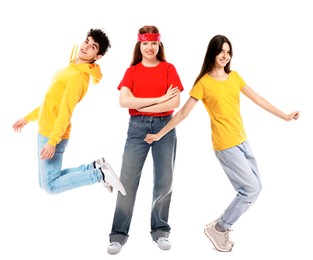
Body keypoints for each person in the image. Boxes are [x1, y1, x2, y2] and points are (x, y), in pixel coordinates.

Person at [144, 34, 300, 252]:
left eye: (228, 52)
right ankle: (219, 228)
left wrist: (284, 116)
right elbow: (183, 113)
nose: (225, 56)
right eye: (221, 51)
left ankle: (219, 227)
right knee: (250, 189)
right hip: (225, 145)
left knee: (256, 188)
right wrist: (159, 134)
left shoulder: (234, 77)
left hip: (242, 140)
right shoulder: (204, 83)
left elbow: (258, 99)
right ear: (213, 53)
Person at [12, 28, 126, 196]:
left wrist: (52, 141)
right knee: (45, 183)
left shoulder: (78, 77)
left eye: (93, 46)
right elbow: (51, 104)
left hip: (54, 135)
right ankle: (93, 167)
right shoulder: (70, 69)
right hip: (46, 131)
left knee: (50, 186)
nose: (86, 46)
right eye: (87, 41)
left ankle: (99, 174)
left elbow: (65, 111)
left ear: (97, 57)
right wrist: (28, 118)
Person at [107, 25, 184, 254]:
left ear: (159, 45)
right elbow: (123, 102)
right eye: (145, 43)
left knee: (164, 181)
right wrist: (160, 98)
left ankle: (160, 231)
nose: (149, 48)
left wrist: (140, 101)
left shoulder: (169, 68)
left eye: (153, 43)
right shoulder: (132, 71)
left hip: (165, 128)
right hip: (137, 129)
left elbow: (174, 103)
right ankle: (118, 235)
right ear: (139, 45)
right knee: (127, 182)